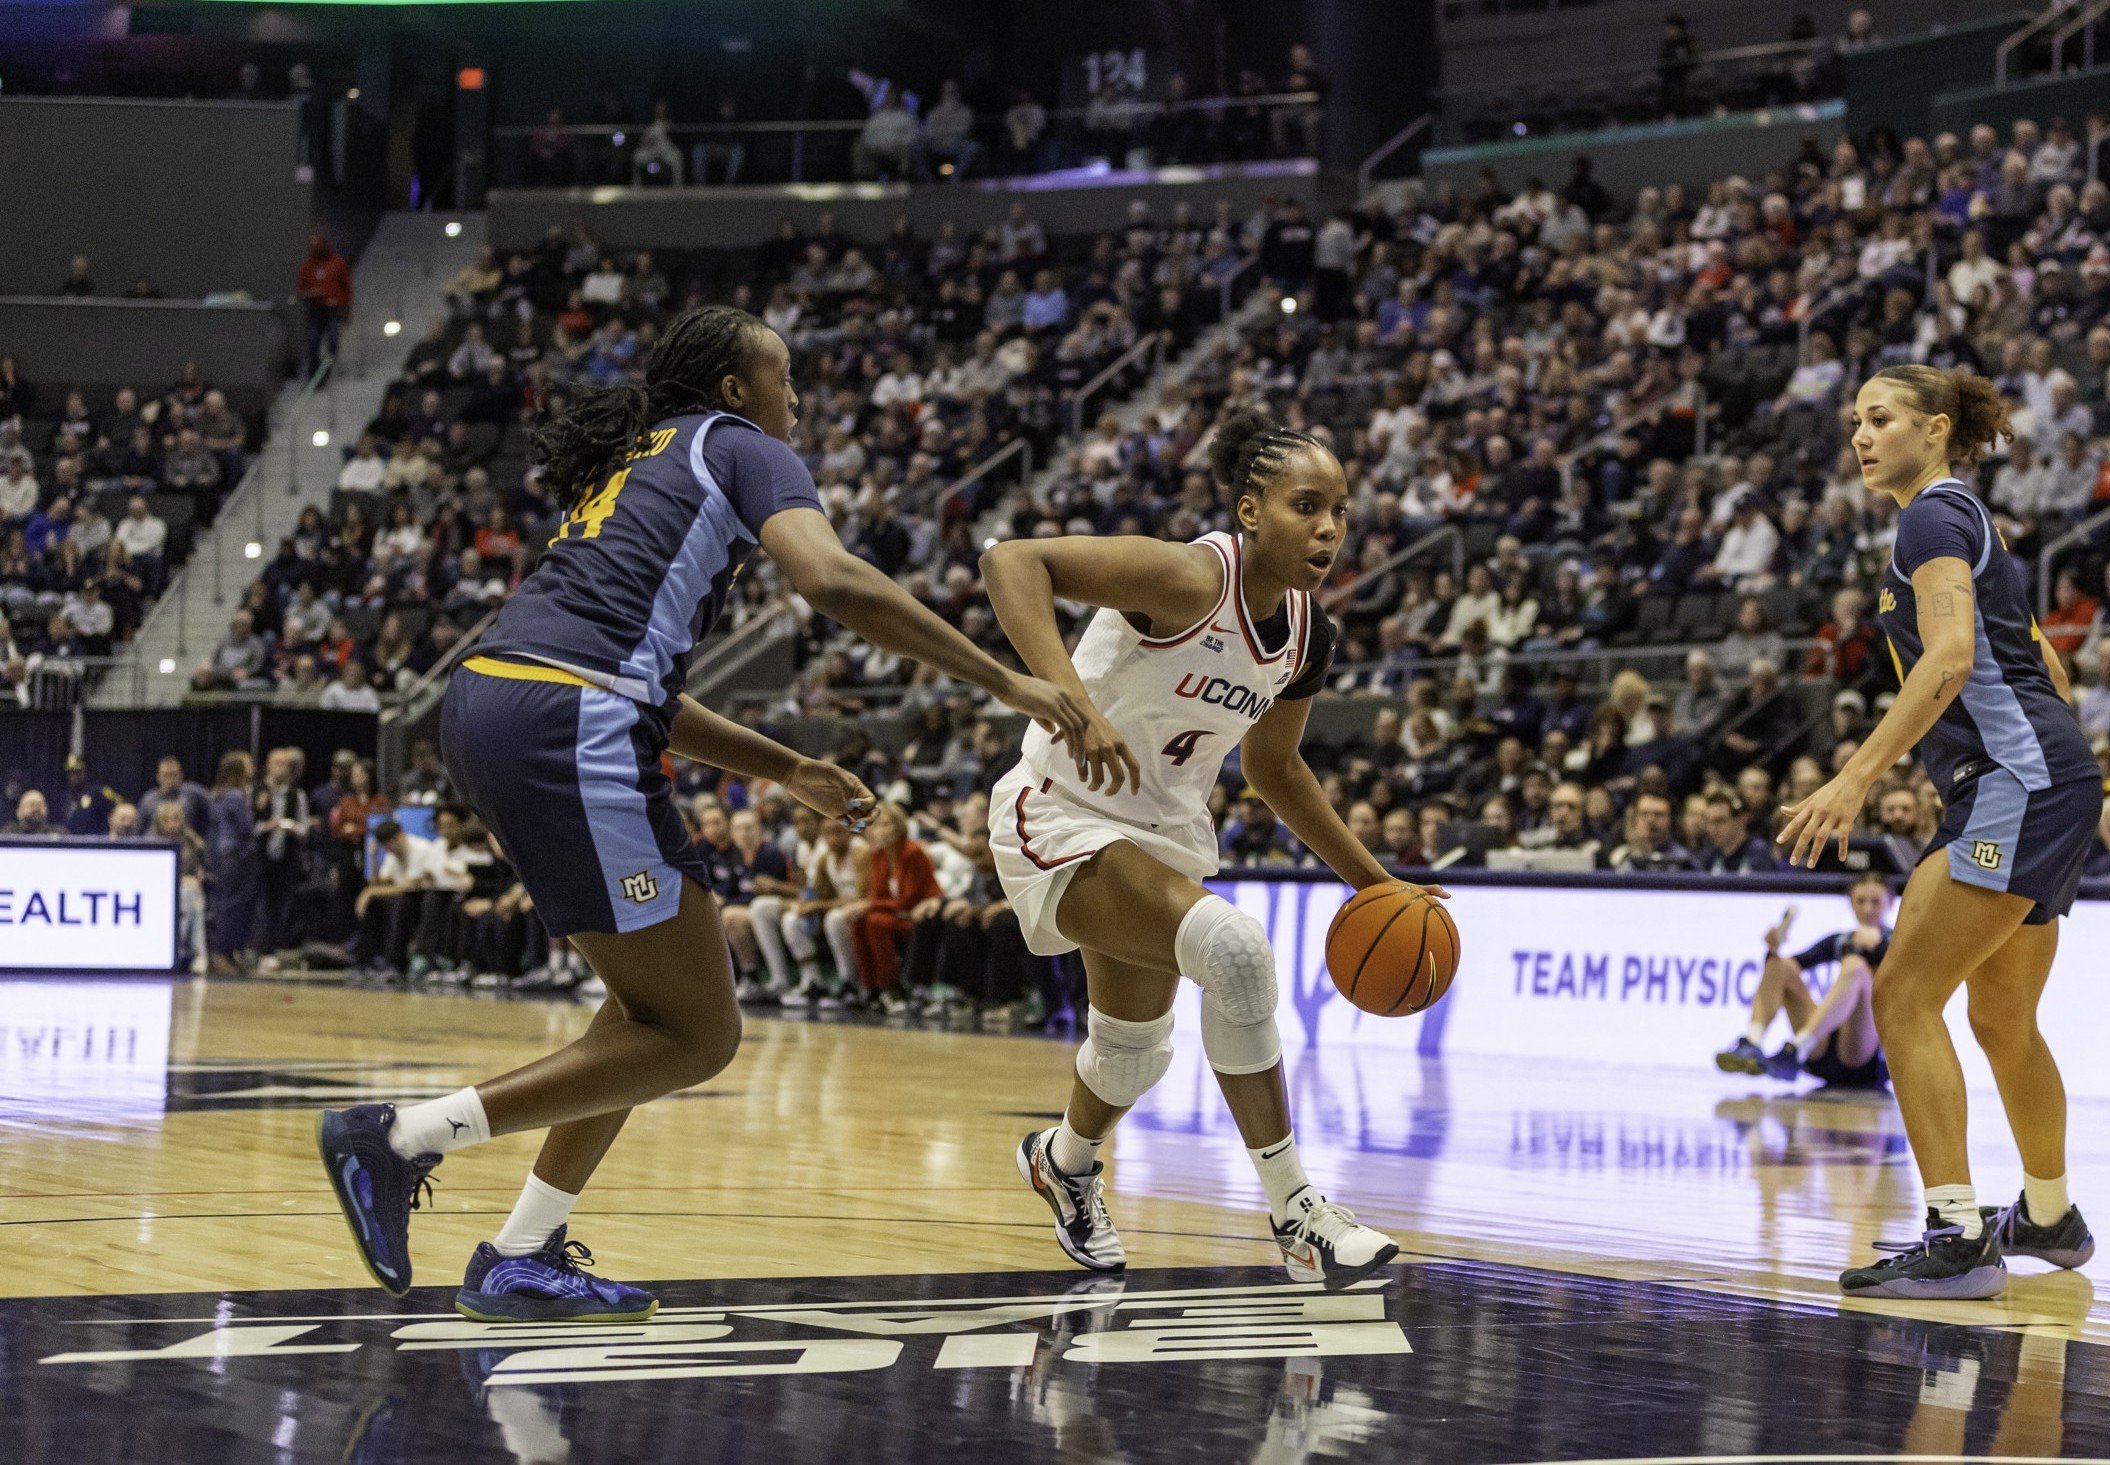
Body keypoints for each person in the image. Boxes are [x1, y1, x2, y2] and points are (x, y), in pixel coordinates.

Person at [315, 305, 1087, 1322]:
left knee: (651, 1007)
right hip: (568, 718)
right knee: (700, 1034)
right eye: (784, 372)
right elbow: (829, 578)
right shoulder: (743, 447)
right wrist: (1003, 678)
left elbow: (647, 686)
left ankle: (522, 1248)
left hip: (502, 701)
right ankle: (399, 1137)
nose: (795, 394)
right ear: (735, 389)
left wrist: (785, 766)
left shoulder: (642, 459)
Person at [981, 407, 1437, 1286]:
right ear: (1251, 510)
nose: (1331, 527)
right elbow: (1011, 561)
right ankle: (1296, 1207)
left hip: (1160, 834)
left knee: (1133, 1052)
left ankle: (1063, 1161)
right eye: (1307, 505)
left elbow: (1276, 768)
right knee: (1234, 950)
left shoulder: (1308, 635)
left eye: (1341, 510)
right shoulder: (1189, 576)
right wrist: (1067, 699)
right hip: (1061, 812)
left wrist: (1379, 887)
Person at [1779, 365, 2098, 1300]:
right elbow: (2047, 671)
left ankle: (1956, 1235)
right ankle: (2049, 1213)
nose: (1861, 436)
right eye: (1854, 422)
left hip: (2013, 785)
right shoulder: (1968, 523)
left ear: (1937, 426)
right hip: (2048, 778)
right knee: (2001, 1018)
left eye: (1880, 419)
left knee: (1905, 993)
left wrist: (1853, 777)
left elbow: (1954, 657)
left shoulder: (1931, 516)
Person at [1715, 873, 1893, 1085]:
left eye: (1875, 902)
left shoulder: (1898, 942)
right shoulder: (1841, 940)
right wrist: (1772, 949)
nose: (1867, 909)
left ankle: (1796, 1048)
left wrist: (1881, 947)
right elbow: (1789, 966)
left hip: (1865, 1055)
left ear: (1890, 904)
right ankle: (1753, 1041)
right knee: (1779, 965)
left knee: (1855, 967)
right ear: (1850, 903)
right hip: (1822, 1048)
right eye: (1860, 901)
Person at [296, 233, 352, 375]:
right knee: (313, 341)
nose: (315, 250)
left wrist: (347, 309)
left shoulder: (338, 263)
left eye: (318, 247)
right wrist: (310, 294)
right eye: (312, 248)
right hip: (315, 309)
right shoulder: (307, 266)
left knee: (333, 340)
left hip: (333, 309)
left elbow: (346, 288)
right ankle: (314, 373)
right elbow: (301, 290)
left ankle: (326, 370)